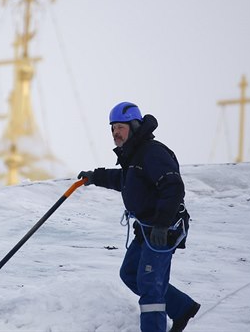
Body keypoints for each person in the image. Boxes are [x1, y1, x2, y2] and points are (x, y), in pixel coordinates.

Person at [78, 101, 200, 332]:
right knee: (130, 273)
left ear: (134, 126)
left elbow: (173, 187)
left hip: (164, 229)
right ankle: (182, 307)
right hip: (146, 229)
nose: (115, 133)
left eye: (120, 127)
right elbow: (125, 180)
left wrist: (162, 225)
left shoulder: (152, 152)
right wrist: (95, 177)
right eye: (112, 128)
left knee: (150, 286)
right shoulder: (134, 155)